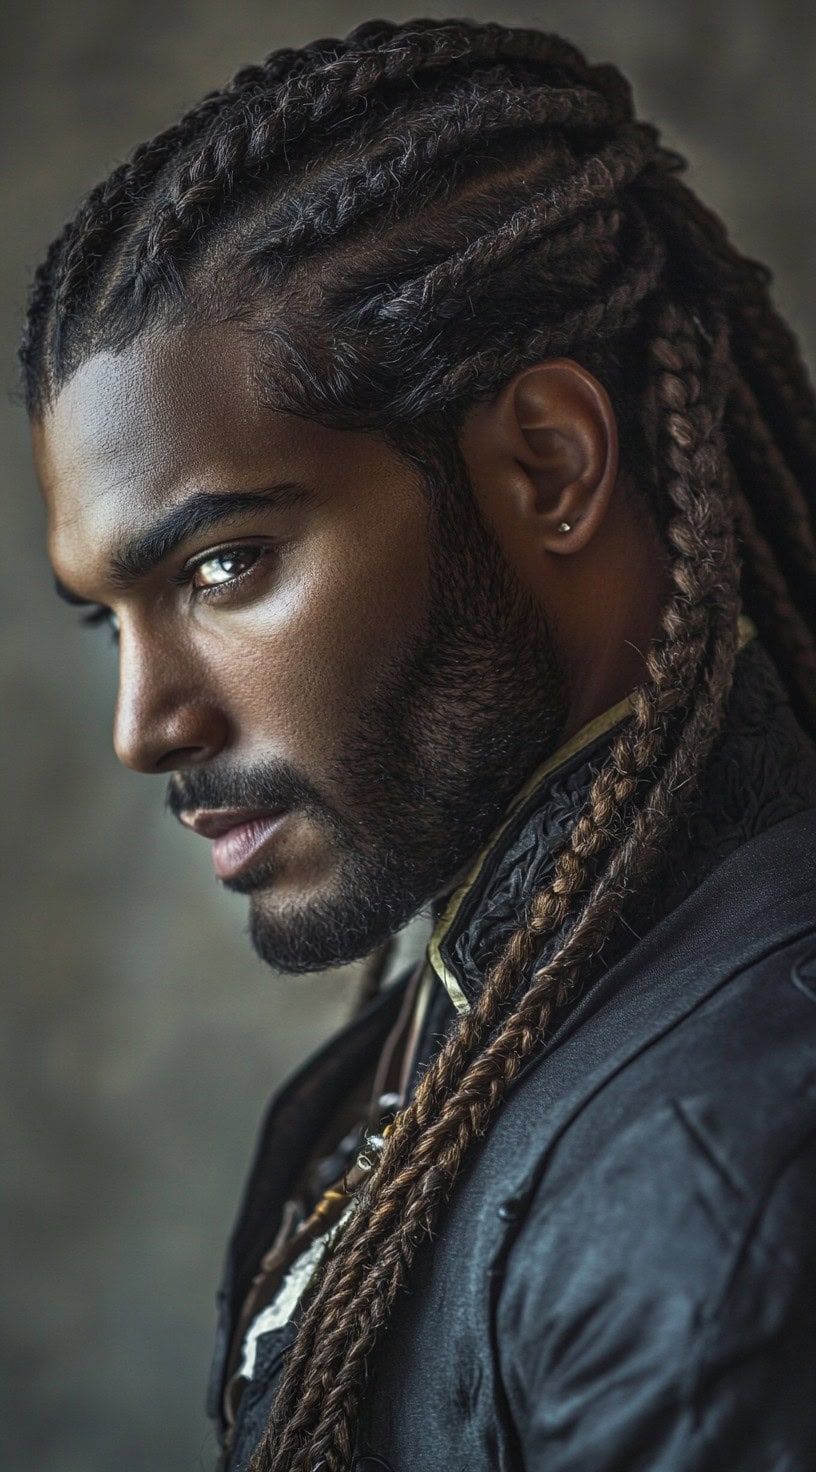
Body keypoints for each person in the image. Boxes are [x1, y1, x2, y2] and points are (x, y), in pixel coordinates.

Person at [22, 16, 816, 1471]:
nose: (147, 728)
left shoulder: (722, 1198)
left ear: (547, 465)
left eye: (222, 568)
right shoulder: (486, 1016)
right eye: (110, 617)